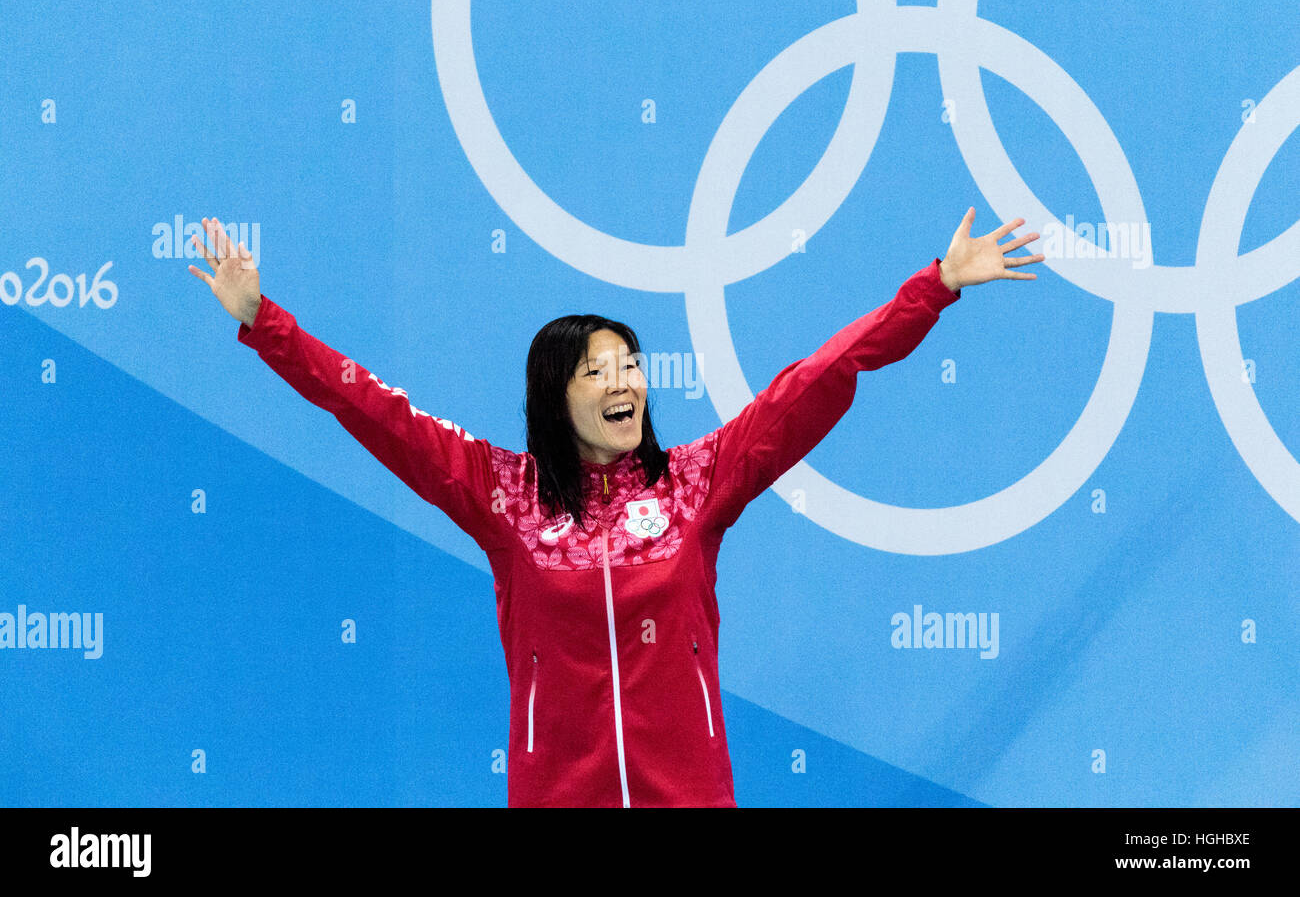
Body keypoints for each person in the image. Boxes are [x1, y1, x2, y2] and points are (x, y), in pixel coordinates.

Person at [188, 210, 1043, 807]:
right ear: (553, 398)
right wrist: (265, 321)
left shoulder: (697, 485)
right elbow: (370, 410)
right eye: (596, 371)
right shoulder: (501, 495)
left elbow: (816, 382)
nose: (623, 382)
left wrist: (932, 287)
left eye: (630, 365)